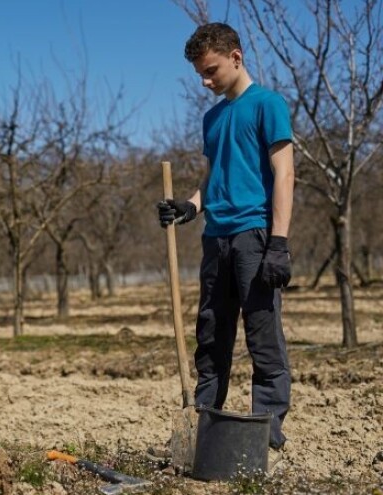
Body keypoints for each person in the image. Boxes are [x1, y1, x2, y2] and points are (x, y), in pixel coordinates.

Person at [158, 23, 294, 463]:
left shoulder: (268, 104)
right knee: (211, 333)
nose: (205, 81)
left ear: (236, 57)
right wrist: (190, 207)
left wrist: (279, 242)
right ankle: (205, 419)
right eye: (200, 73)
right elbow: (216, 175)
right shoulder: (213, 119)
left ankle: (267, 427)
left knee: (262, 334)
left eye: (211, 70)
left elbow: (284, 174)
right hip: (216, 238)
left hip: (254, 235)